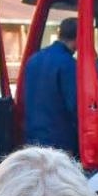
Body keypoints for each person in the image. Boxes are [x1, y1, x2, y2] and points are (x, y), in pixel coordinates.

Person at [20, 17, 80, 158]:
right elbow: (75, 107)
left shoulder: (33, 59)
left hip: (32, 140)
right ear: (79, 37)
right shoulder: (69, 65)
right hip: (59, 145)